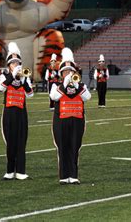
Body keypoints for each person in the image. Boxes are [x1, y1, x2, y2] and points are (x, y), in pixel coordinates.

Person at [49, 48, 91, 184]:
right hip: (61, 120)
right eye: (65, 71)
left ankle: (73, 175)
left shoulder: (81, 85)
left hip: (77, 120)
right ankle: (63, 175)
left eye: (70, 71)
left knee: (74, 146)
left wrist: (76, 84)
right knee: (62, 147)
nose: (68, 73)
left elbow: (87, 97)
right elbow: (54, 96)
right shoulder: (56, 86)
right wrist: (65, 83)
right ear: (61, 73)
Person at [0, 42, 34, 180]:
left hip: (21, 112)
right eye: (13, 63)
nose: (16, 65)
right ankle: (9, 171)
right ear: (8, 65)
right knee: (10, 141)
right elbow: (1, 87)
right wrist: (12, 76)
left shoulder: (24, 77)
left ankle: (20, 171)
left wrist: (24, 80)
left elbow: (30, 94)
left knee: (21, 140)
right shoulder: (4, 75)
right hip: (8, 112)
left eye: (17, 62)